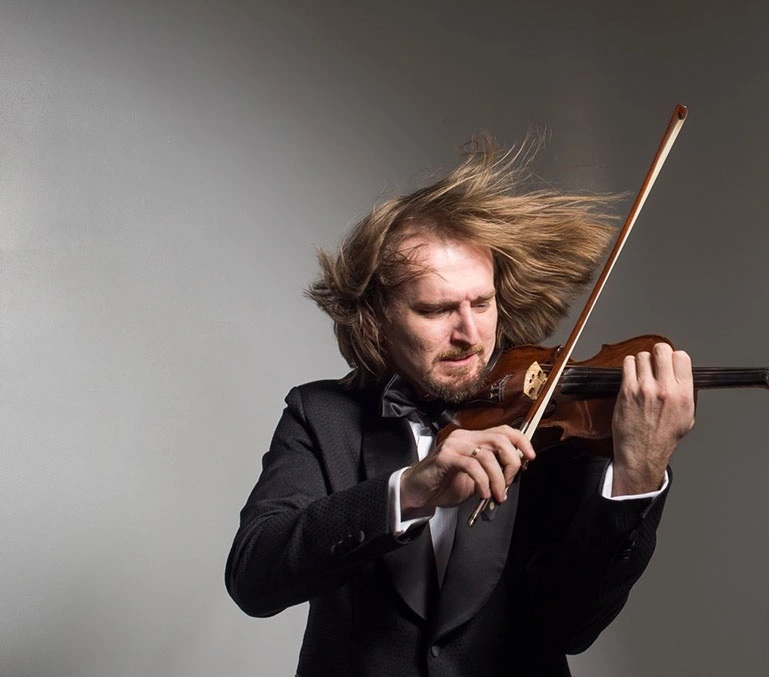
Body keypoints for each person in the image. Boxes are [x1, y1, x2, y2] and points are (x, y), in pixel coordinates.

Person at [225, 136, 696, 676]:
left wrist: (638, 473)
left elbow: (572, 624)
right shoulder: (321, 416)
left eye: (482, 303)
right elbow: (253, 577)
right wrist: (409, 490)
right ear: (375, 321)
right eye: (436, 309)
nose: (470, 334)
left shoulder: (549, 422)